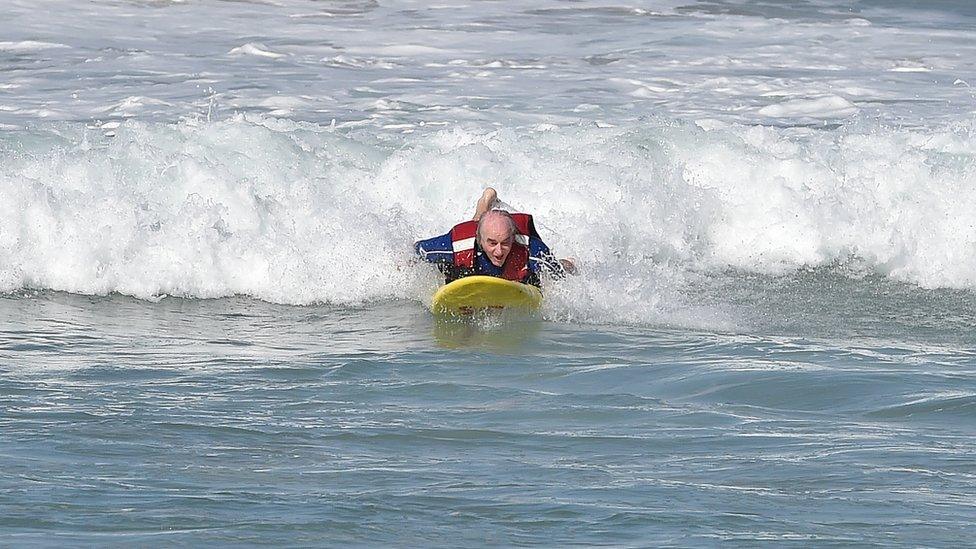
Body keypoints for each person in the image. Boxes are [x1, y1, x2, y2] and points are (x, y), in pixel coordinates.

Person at [414, 188, 576, 287]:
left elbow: (558, 276)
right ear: (479, 240)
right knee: (478, 225)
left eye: (505, 243)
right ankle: (484, 205)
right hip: (476, 234)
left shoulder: (531, 250)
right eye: (492, 244)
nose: (499, 251)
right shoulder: (454, 246)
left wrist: (568, 267)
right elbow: (416, 250)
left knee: (560, 266)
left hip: (499, 236)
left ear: (512, 238)